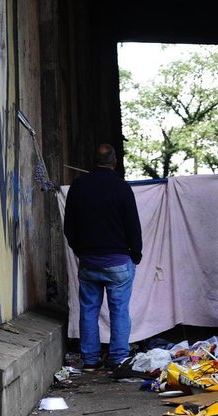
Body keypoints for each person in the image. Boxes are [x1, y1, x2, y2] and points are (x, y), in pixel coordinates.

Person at [63, 143, 143, 371]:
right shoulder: (121, 188)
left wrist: (80, 251)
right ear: (114, 161)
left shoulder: (78, 187)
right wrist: (135, 255)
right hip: (118, 262)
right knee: (119, 311)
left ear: (93, 161)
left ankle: (89, 360)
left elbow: (69, 226)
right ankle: (117, 359)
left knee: (88, 310)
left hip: (89, 261)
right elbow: (133, 227)